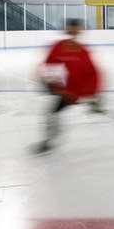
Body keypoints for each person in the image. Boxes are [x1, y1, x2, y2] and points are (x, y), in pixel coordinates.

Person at [35, 18, 102, 153]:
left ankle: (51, 138)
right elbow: (47, 67)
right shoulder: (57, 47)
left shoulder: (83, 51)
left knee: (52, 113)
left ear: (79, 31)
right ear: (67, 29)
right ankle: (50, 138)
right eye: (70, 28)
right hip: (64, 92)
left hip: (76, 92)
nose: (73, 32)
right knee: (52, 114)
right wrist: (49, 82)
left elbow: (92, 73)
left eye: (75, 29)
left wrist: (92, 94)